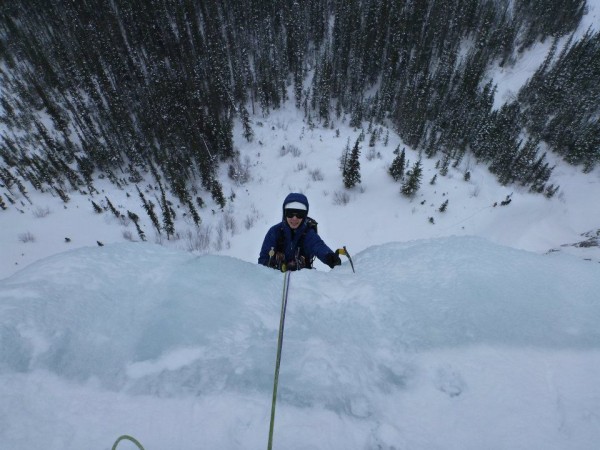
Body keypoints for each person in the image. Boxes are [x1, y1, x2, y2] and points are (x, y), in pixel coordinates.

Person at [259, 193, 342, 271]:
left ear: (305, 216)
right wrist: (272, 264)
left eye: (300, 214)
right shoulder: (274, 232)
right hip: (276, 278)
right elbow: (263, 258)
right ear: (284, 214)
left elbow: (318, 246)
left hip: (302, 280)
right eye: (290, 213)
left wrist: (330, 257)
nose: (294, 218)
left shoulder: (308, 234)